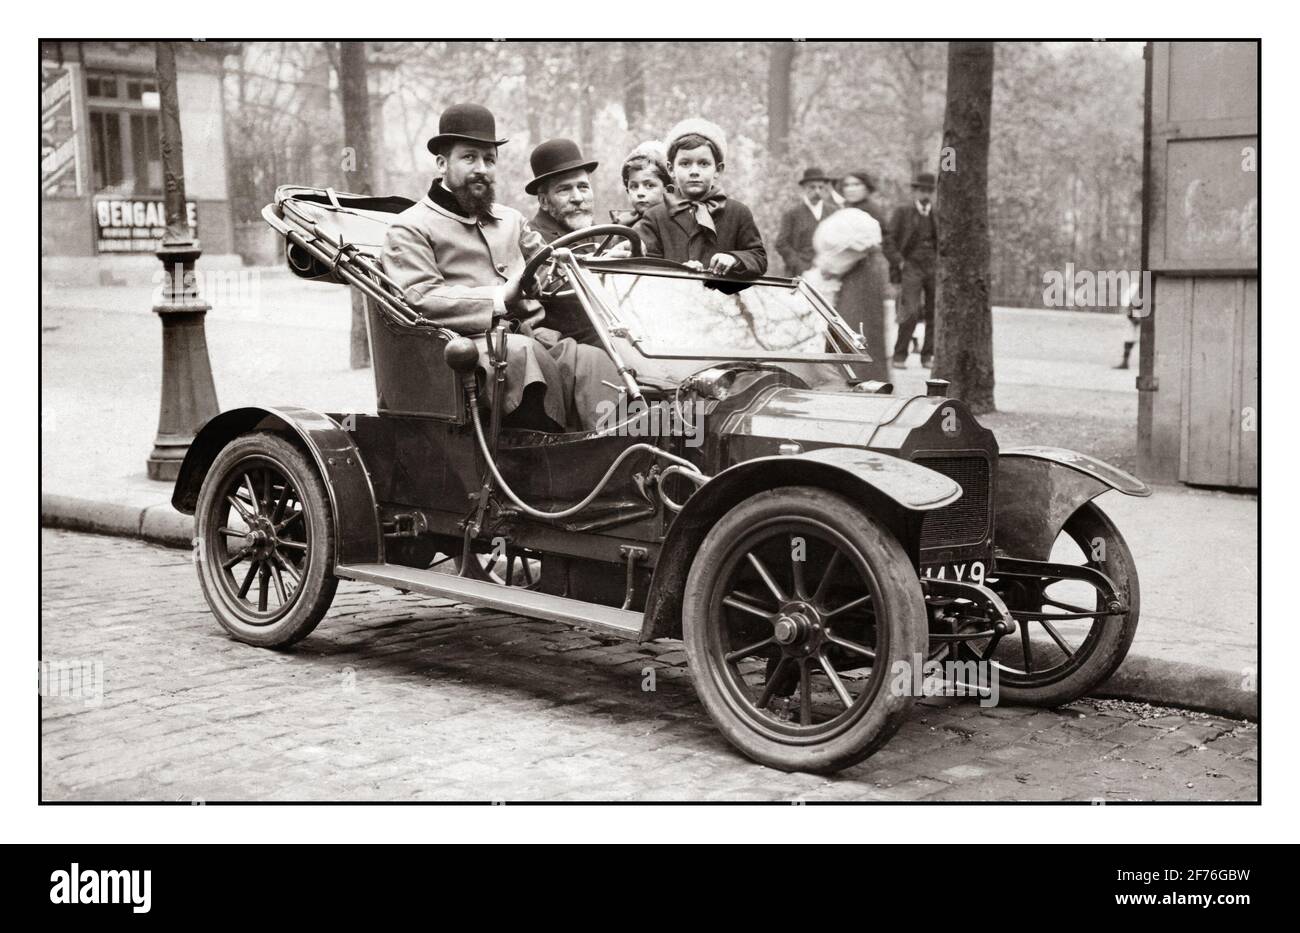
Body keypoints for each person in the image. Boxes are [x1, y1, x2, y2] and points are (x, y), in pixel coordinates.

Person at [381, 104, 618, 432]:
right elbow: (420, 297)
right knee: (523, 357)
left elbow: (551, 271)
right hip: (461, 349)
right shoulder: (410, 227)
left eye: (489, 160)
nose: (482, 168)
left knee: (599, 361)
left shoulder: (511, 220)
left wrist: (599, 266)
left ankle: (617, 453)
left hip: (530, 338)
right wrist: (500, 296)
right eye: (469, 158)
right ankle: (546, 462)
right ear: (441, 163)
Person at [633, 118, 766, 276]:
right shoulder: (655, 217)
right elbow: (646, 267)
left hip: (724, 299)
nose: (694, 171)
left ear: (718, 169)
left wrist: (734, 259)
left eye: (703, 164)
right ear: (671, 169)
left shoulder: (738, 213)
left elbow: (758, 257)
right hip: (673, 297)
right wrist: (679, 271)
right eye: (685, 163)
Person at [807, 170, 890, 382]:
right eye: (847, 185)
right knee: (846, 321)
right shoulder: (848, 210)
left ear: (867, 187)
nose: (851, 189)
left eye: (856, 184)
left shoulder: (871, 212)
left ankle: (865, 377)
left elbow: (867, 245)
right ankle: (847, 375)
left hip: (864, 272)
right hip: (849, 273)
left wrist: (835, 265)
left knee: (861, 323)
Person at [524, 137, 601, 346]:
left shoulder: (605, 235)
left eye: (583, 187)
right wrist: (604, 269)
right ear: (543, 201)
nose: (577, 197)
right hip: (570, 347)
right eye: (564, 189)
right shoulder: (531, 239)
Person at [884, 170, 939, 369]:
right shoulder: (903, 212)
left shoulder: (937, 213)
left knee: (935, 312)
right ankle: (899, 356)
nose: (925, 195)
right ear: (915, 192)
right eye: (921, 190)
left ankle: (928, 356)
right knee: (911, 311)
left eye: (929, 191)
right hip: (911, 267)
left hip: (933, 267)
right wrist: (899, 261)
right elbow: (888, 240)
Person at [775, 167, 839, 277]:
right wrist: (797, 264)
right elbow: (781, 243)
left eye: (821, 187)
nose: (817, 191)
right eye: (812, 187)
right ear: (804, 188)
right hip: (800, 272)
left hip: (827, 271)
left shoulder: (833, 212)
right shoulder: (792, 214)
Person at [610, 141, 671, 225]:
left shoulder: (679, 224)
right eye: (634, 186)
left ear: (667, 189)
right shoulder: (622, 226)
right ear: (627, 191)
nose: (640, 193)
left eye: (649, 185)